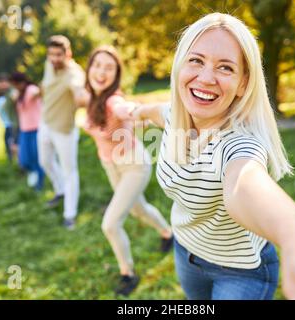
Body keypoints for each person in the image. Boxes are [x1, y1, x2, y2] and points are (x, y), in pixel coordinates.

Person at [130, 13, 295, 300]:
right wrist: (125, 111)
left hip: (241, 273)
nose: (205, 78)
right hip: (186, 252)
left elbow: (245, 183)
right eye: (196, 60)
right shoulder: (172, 116)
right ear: (180, 65)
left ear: (243, 84)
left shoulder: (238, 145)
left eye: (225, 67)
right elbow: (148, 112)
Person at [78, 46, 173, 296]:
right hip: (110, 165)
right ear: (89, 68)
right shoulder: (91, 97)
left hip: (133, 165)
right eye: (97, 65)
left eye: (109, 68)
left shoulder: (112, 100)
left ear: (116, 74)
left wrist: (137, 111)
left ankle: (128, 274)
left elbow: (123, 108)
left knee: (110, 224)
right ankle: (167, 233)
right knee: (138, 209)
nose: (101, 72)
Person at [38, 35, 86, 229]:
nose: (54, 59)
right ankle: (60, 191)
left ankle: (70, 214)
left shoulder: (75, 73)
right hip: (45, 123)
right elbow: (46, 86)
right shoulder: (49, 65)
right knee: (45, 162)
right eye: (51, 54)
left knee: (70, 172)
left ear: (69, 54)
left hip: (64, 130)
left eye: (59, 55)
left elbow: (79, 94)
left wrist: (83, 99)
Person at [10, 72, 44, 191]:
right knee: (24, 159)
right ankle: (33, 174)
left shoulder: (31, 89)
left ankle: (39, 184)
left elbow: (38, 93)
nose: (15, 87)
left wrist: (43, 87)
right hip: (24, 130)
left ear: (22, 82)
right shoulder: (18, 94)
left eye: (16, 84)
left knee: (36, 158)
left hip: (36, 129)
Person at [0, 73, 18, 163]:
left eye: (4, 82)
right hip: (7, 125)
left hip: (12, 124)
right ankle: (12, 163)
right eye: (0, 82)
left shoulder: (10, 93)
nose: (2, 85)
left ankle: (17, 164)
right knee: (8, 146)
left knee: (13, 145)